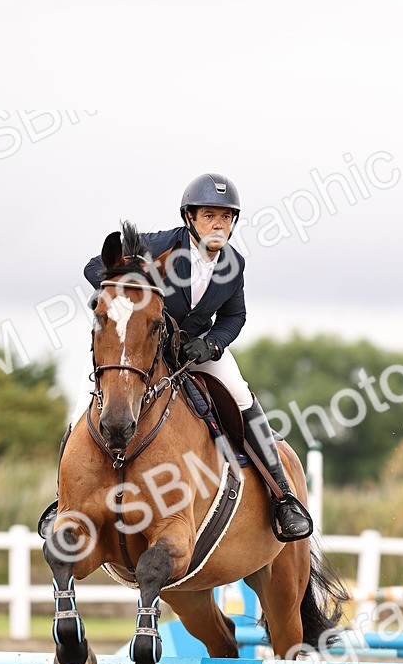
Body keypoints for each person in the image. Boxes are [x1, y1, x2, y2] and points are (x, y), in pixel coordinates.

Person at [40, 173, 313, 542]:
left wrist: (212, 345)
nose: (219, 223)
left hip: (197, 352)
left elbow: (235, 317)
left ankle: (283, 497)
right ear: (190, 218)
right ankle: (63, 502)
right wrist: (131, 281)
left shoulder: (234, 264)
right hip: (144, 350)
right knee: (81, 403)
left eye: (227, 217)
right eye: (209, 215)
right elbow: (93, 266)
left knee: (242, 395)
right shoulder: (160, 245)